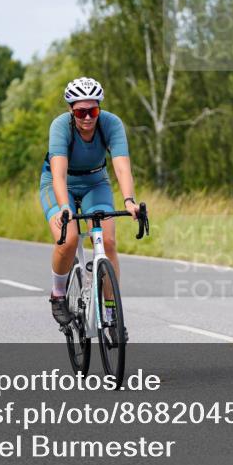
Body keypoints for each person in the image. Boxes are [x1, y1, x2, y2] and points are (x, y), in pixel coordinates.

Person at [40, 77, 139, 327]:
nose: (87, 117)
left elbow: (122, 168)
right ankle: (58, 295)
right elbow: (59, 175)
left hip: (96, 183)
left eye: (92, 110)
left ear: (99, 109)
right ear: (71, 111)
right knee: (68, 239)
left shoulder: (111, 124)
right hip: (59, 184)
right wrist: (65, 207)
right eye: (81, 112)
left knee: (108, 241)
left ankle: (110, 311)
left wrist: (129, 201)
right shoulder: (61, 127)